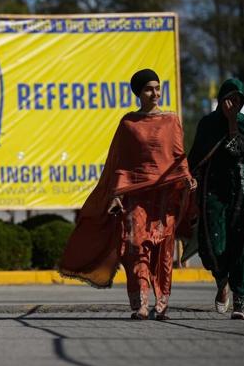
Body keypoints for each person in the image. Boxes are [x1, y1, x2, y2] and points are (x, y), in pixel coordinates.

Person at [59, 69, 196, 320]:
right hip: (135, 195)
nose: (154, 93)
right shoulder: (128, 123)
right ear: (138, 93)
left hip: (165, 197)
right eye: (148, 89)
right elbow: (120, 163)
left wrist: (186, 178)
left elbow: (178, 155)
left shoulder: (171, 120)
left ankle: (162, 303)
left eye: (157, 87)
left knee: (162, 250)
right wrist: (116, 194)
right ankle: (142, 303)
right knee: (134, 246)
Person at [187, 78, 244, 320]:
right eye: (228, 99)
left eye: (237, 100)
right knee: (214, 247)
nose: (232, 104)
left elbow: (242, 153)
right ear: (219, 100)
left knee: (243, 248)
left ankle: (240, 302)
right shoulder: (208, 124)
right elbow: (195, 158)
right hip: (214, 196)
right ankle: (222, 284)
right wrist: (192, 180)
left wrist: (232, 123)